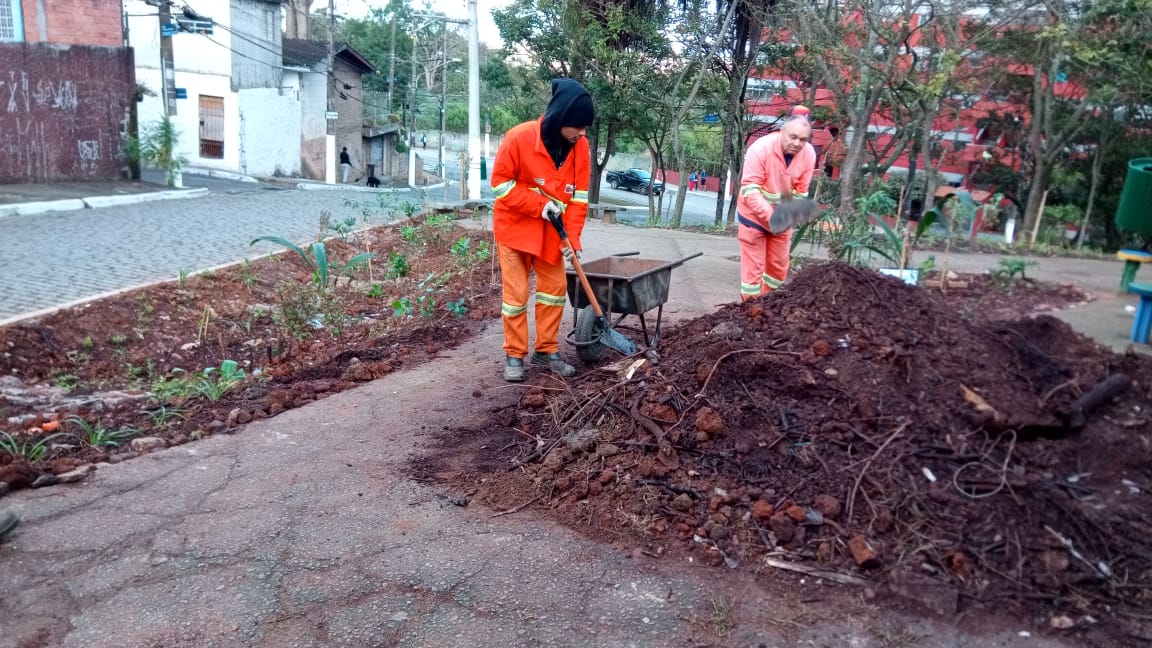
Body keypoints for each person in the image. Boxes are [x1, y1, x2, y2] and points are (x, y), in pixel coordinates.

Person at [490, 78, 593, 382]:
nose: (583, 133)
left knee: (555, 290)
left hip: (552, 233)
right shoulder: (518, 139)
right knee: (516, 294)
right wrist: (537, 204)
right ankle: (514, 354)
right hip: (515, 228)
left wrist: (571, 239)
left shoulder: (580, 147)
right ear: (562, 118)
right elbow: (500, 185)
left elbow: (579, 198)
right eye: (579, 126)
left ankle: (546, 351)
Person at [736, 113, 816, 301]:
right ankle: (750, 312)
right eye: (793, 137)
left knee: (778, 271)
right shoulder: (760, 149)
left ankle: (768, 306)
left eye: (803, 139)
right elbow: (750, 190)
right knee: (752, 274)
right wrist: (772, 217)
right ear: (782, 132)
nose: (797, 143)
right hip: (753, 218)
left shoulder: (809, 154)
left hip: (781, 220)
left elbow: (800, 192)